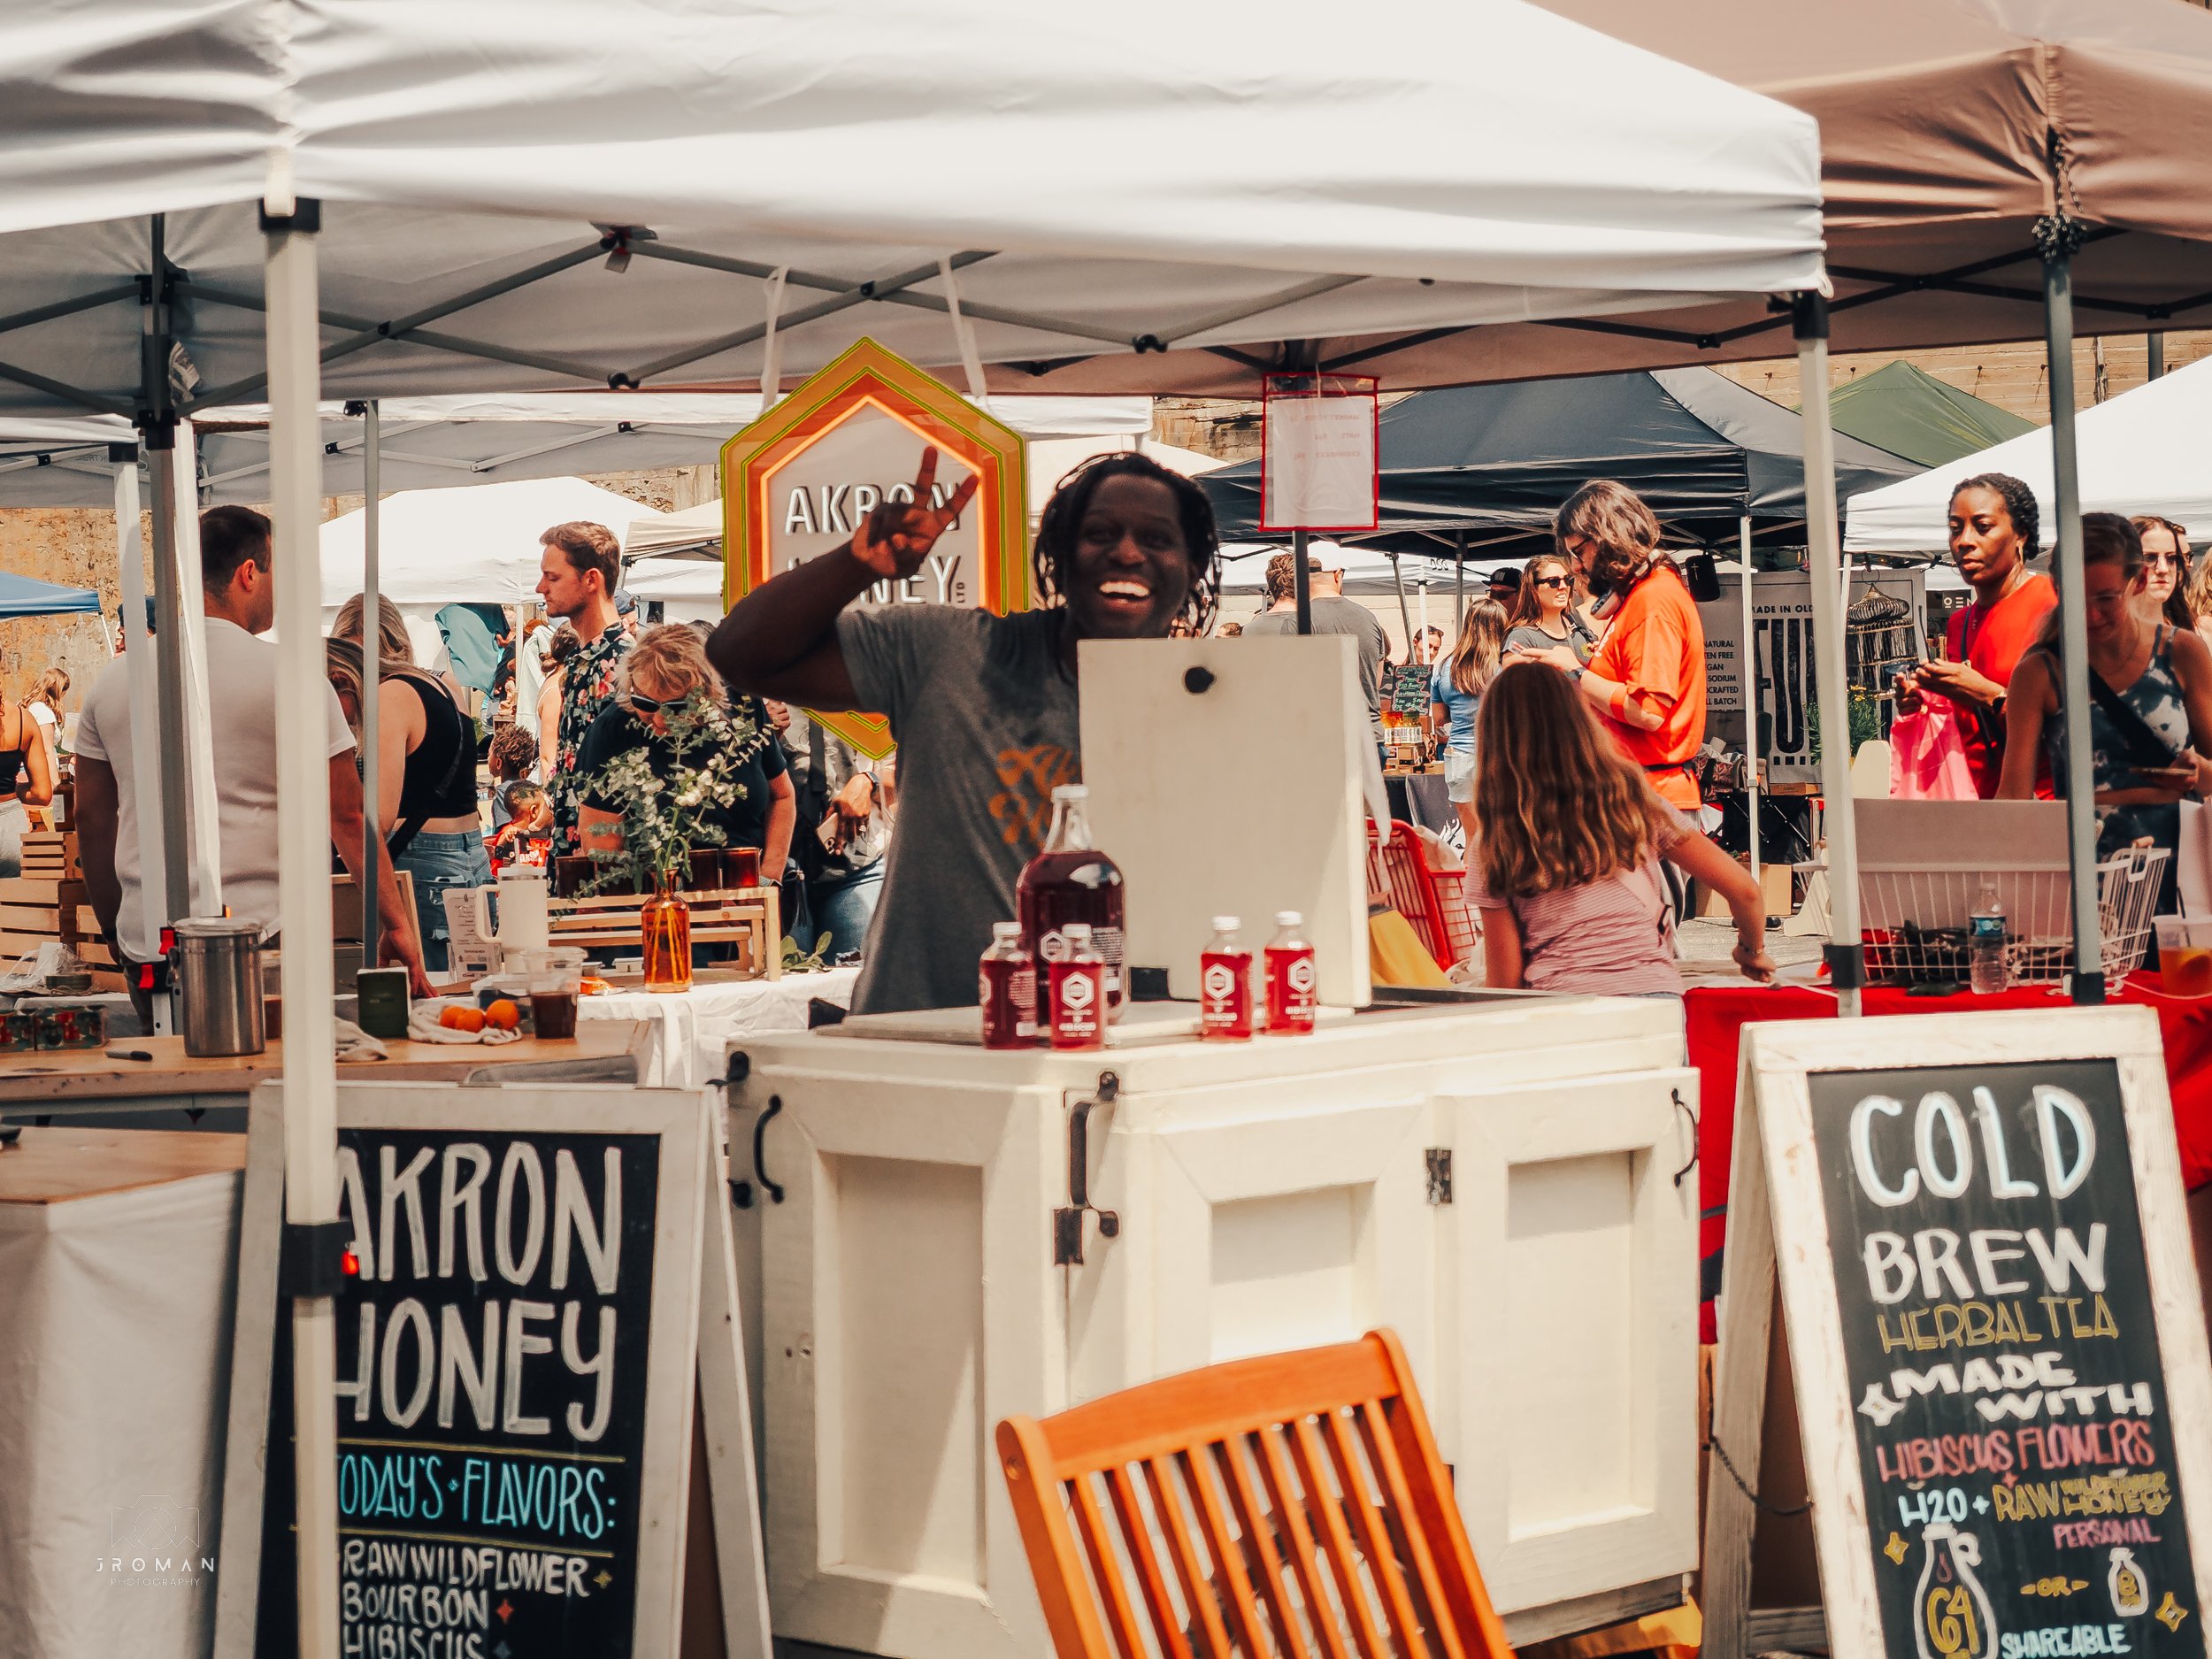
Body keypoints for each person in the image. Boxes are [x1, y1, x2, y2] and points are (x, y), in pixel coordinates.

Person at [709, 448, 1221, 1015]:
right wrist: (856, 562)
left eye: (1157, 539)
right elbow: (740, 653)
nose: (1127, 552)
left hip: (1127, 1041)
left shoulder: (1222, 714)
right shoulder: (951, 654)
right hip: (923, 1042)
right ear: (1059, 556)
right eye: (1099, 533)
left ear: (1192, 567)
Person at [74, 505, 429, 999]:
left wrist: (114, 927)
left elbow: (91, 817)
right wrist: (396, 923)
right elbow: (347, 815)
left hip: (148, 937)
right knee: (271, 1074)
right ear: (248, 573)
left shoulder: (113, 682)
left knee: (168, 1072)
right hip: (263, 931)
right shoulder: (294, 677)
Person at [1467, 662, 1774, 995]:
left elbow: (1505, 984)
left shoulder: (1494, 843)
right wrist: (1751, 951)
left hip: (1562, 1011)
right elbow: (1745, 890)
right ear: (1580, 723)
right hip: (1654, 1001)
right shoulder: (1635, 804)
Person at [1998, 513, 2212, 916]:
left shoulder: (2182, 652)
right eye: (2077, 600)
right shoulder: (2040, 672)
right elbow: (2012, 799)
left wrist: (2199, 772)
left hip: (2186, 881)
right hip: (2085, 886)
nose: (2091, 616)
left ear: (2138, 583)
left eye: (2106, 599)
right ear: (2057, 589)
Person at [1531, 480, 1707, 812]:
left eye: (1579, 551)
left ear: (1608, 536)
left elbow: (1649, 713)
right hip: (1637, 795)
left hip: (1650, 801)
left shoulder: (1652, 600)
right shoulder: (1643, 596)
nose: (1576, 567)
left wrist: (1573, 672)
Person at [325, 627, 491, 976]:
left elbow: (375, 820)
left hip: (425, 866)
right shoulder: (441, 683)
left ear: (341, 680)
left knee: (425, 1000)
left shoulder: (388, 696)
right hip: (470, 857)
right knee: (466, 991)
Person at [576, 624, 795, 885]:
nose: (659, 719)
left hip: (746, 895)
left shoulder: (742, 706)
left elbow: (781, 795)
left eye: (677, 707)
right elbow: (602, 847)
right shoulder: (612, 730)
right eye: (646, 703)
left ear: (707, 694)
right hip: (655, 900)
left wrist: (769, 879)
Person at [1895, 472, 2056, 799]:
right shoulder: (1958, 622)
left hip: (2043, 811)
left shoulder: (2051, 605)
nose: (1965, 541)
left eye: (1983, 527)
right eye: (1956, 529)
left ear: (2020, 535)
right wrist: (1924, 701)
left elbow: (2075, 726)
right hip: (1975, 805)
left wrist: (1986, 694)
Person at [535, 521, 631, 854]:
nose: (540, 588)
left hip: (603, 870)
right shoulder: (582, 660)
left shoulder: (625, 664)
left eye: (552, 577)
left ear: (591, 579)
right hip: (574, 863)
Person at [768, 698, 889, 958]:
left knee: (856, 981)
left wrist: (870, 781)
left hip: (857, 863)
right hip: (776, 871)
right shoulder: (748, 682)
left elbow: (918, 758)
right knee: (784, 988)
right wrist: (759, 738)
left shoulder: (855, 677)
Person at [1242, 545, 1390, 743]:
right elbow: (1375, 681)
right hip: (1369, 736)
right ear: (1338, 575)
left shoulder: (1296, 621)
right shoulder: (1368, 617)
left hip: (1320, 739)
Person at [1428, 600, 1508, 849]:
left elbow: (1439, 719)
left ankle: (1472, 887)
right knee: (1503, 836)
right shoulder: (1505, 665)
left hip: (1459, 756)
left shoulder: (1443, 667)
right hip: (1500, 755)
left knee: (1472, 838)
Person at [0, 678, 56, 879]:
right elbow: (42, 794)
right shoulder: (24, 719)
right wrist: (14, 789)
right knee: (13, 905)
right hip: (10, 827)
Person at [1504, 553, 1599, 665]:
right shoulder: (1522, 637)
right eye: (1554, 582)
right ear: (1533, 588)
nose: (1563, 586)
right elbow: (1512, 680)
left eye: (1568, 580)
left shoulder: (1576, 621)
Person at [486, 725, 549, 854]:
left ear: (498, 763)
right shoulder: (532, 789)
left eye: (488, 755)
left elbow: (508, 833)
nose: (487, 759)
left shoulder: (503, 795)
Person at [20, 667, 69, 829]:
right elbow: (46, 750)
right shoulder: (43, 712)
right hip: (43, 777)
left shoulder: (28, 708)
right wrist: (56, 786)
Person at [2134, 515, 2194, 633]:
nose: (2163, 569)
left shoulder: (2184, 633)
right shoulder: (2099, 634)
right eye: (2150, 557)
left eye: (2171, 558)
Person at [537, 626, 577, 780]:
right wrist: (552, 800)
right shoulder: (556, 690)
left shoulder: (559, 682)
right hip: (555, 784)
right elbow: (548, 757)